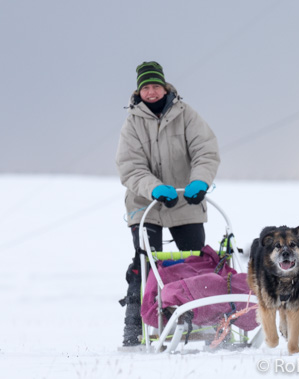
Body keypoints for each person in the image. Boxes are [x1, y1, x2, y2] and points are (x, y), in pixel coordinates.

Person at [116, 61, 220, 346]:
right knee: (145, 264)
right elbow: (130, 166)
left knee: (194, 262)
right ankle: (135, 329)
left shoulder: (187, 115)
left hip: (186, 200)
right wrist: (155, 189)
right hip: (144, 205)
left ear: (165, 87)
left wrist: (200, 181)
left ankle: (203, 323)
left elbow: (206, 151)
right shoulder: (132, 124)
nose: (151, 92)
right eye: (146, 87)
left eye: (156, 86)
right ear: (139, 91)